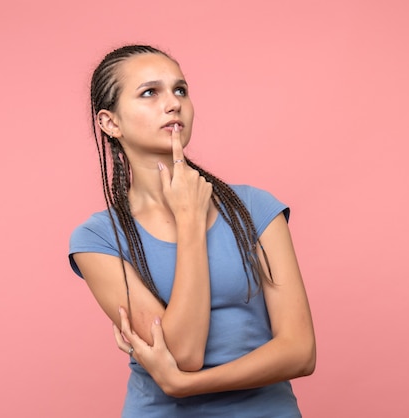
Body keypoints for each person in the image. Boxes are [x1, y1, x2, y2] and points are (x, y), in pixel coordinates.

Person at [69, 44, 316, 417]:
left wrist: (187, 386)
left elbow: (300, 352)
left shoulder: (254, 208)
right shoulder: (99, 239)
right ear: (110, 122)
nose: (173, 103)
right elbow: (184, 354)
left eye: (180, 89)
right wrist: (189, 222)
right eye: (150, 92)